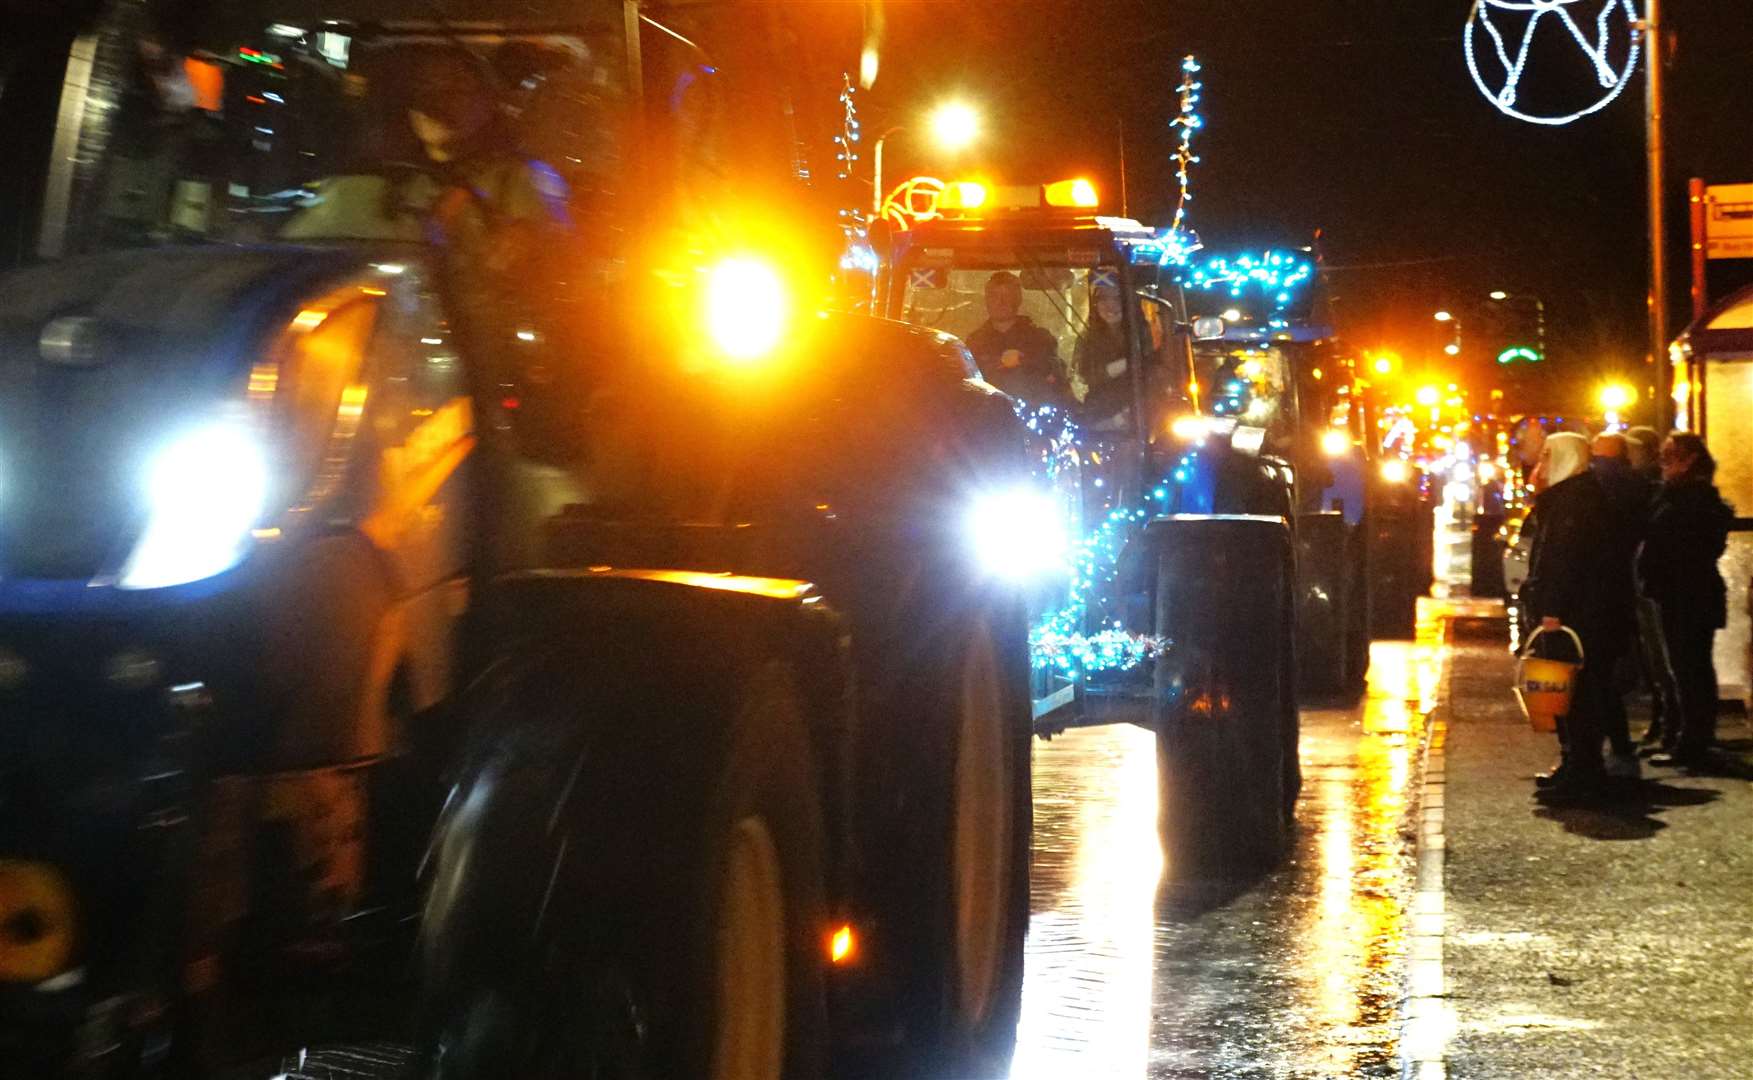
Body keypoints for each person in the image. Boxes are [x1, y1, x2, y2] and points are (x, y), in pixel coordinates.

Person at [1523, 432, 1636, 801]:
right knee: (1570, 695)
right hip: (1583, 615)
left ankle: (1583, 773)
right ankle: (1575, 765)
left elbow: (1563, 563)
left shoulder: (1575, 502)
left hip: (1580, 618)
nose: (1540, 463)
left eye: (1546, 455)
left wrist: (1551, 610)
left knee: (1579, 696)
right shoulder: (1573, 497)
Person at [1636, 434, 1734, 769]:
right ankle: (1685, 736)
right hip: (1679, 592)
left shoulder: (1694, 502)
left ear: (1689, 459)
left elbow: (1682, 546)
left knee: (1690, 668)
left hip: (1688, 594)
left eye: (1669, 458)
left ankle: (1693, 742)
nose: (1663, 465)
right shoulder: (1679, 497)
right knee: (1684, 667)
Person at [966, 272, 1068, 405]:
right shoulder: (975, 342)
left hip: (1033, 415)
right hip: (988, 418)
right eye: (995, 296)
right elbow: (966, 383)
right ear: (986, 300)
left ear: (1018, 299)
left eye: (1007, 295)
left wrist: (1024, 359)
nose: (1001, 302)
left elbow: (1058, 374)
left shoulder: (1039, 338)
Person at [1073, 283, 1134, 429]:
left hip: (1143, 413)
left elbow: (1156, 371)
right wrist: (1124, 364)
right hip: (1100, 419)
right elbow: (1084, 378)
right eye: (1103, 299)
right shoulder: (1087, 339)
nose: (1110, 306)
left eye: (1117, 298)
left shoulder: (1144, 335)